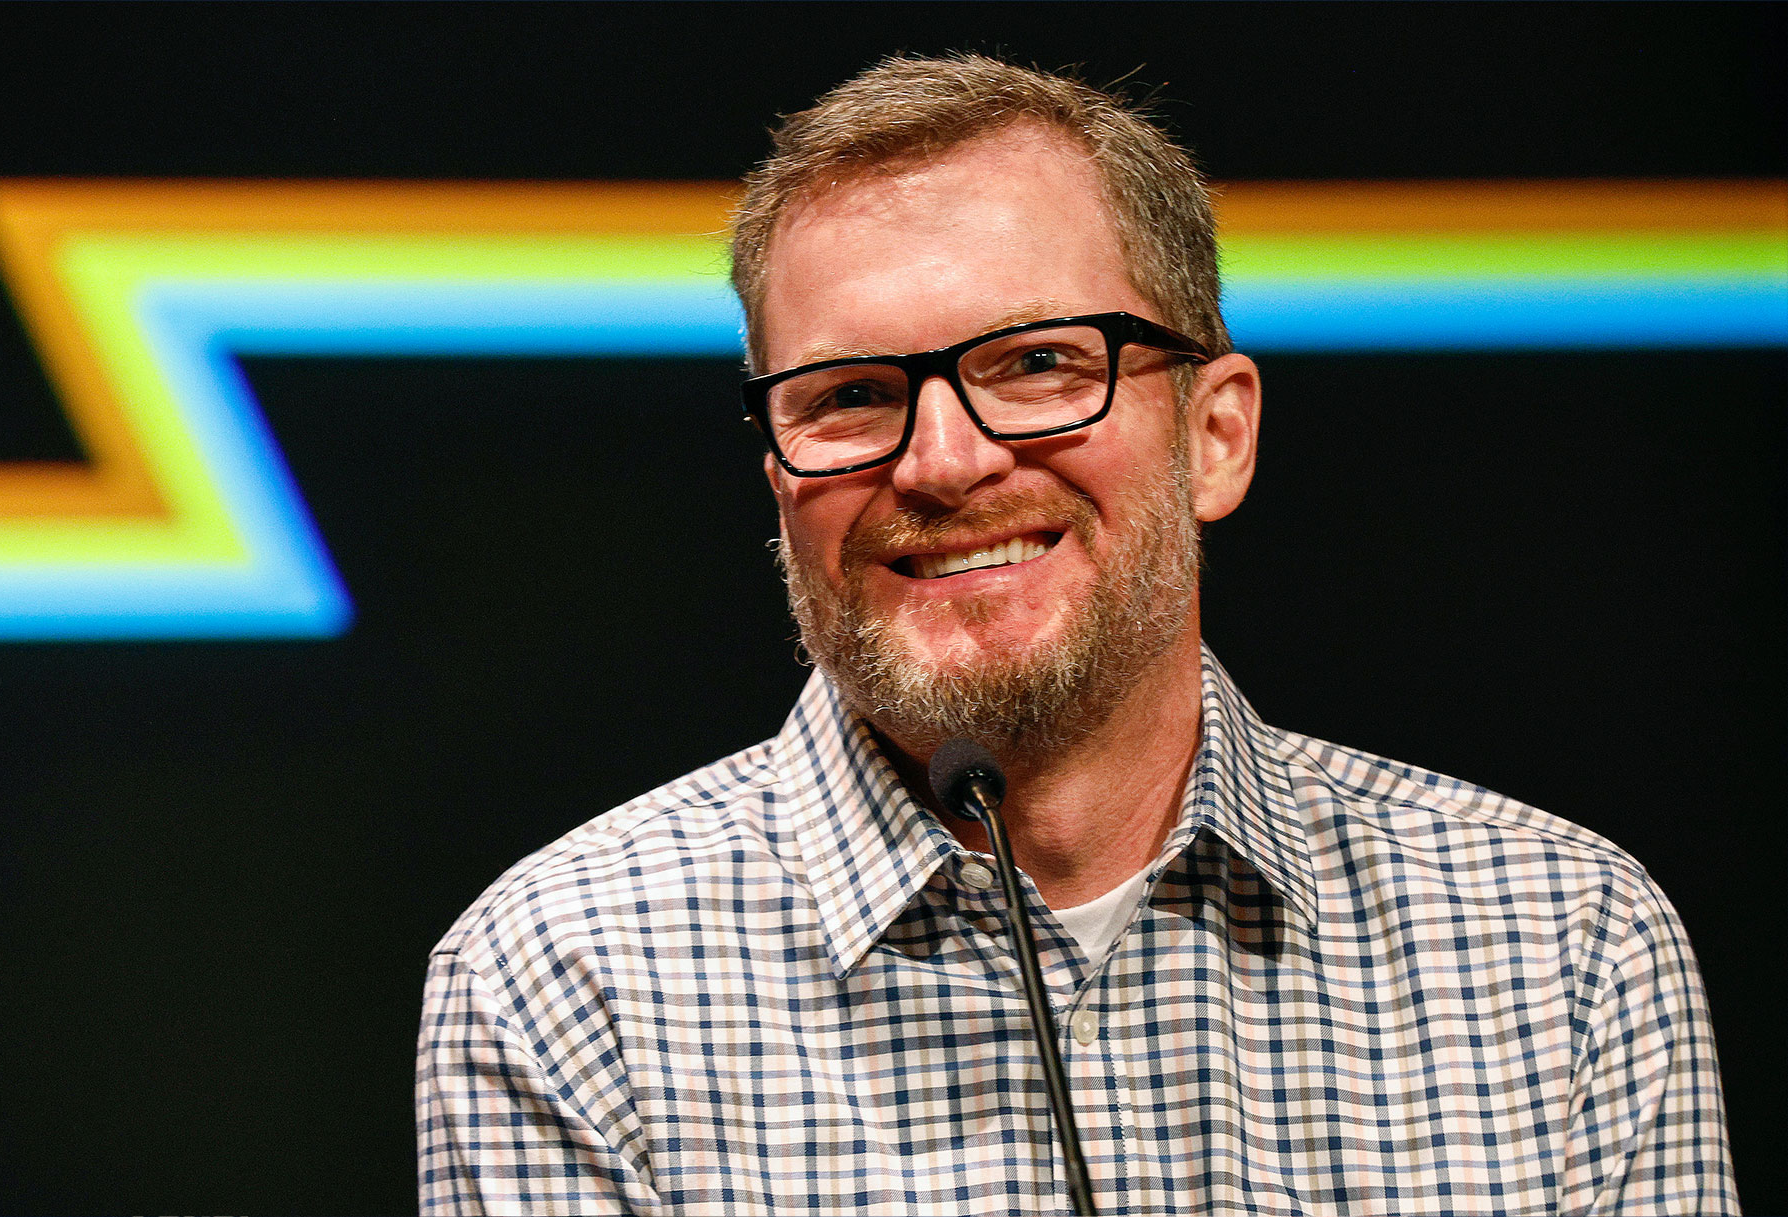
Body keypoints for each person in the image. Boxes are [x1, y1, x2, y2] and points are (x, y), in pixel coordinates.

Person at [417, 54, 1735, 1215]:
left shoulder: (1563, 946)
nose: (940, 461)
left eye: (1037, 364)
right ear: (776, 473)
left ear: (1214, 434)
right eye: (851, 394)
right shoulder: (561, 978)